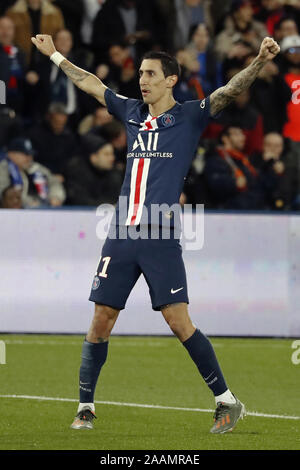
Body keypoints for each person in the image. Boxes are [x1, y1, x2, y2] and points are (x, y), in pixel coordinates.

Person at [31, 32, 280, 434]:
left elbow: (229, 91)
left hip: (160, 235)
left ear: (170, 80)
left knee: (179, 322)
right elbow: (90, 83)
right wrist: (55, 54)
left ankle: (227, 401)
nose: (142, 80)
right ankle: (86, 408)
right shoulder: (129, 111)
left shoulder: (190, 115)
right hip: (121, 233)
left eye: (150, 73)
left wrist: (259, 60)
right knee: (100, 320)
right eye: (141, 73)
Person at [0, 137, 66, 207]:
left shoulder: (35, 167)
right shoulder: (3, 168)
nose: (29, 158)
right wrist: (29, 202)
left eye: (31, 154)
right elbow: (3, 192)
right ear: (11, 154)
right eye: (25, 154)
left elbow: (54, 183)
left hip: (42, 210)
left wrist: (55, 197)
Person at [65, 134, 123, 206]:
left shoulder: (114, 173)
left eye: (112, 154)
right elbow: (78, 200)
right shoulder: (76, 170)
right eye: (106, 154)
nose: (112, 158)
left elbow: (116, 199)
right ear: (93, 157)